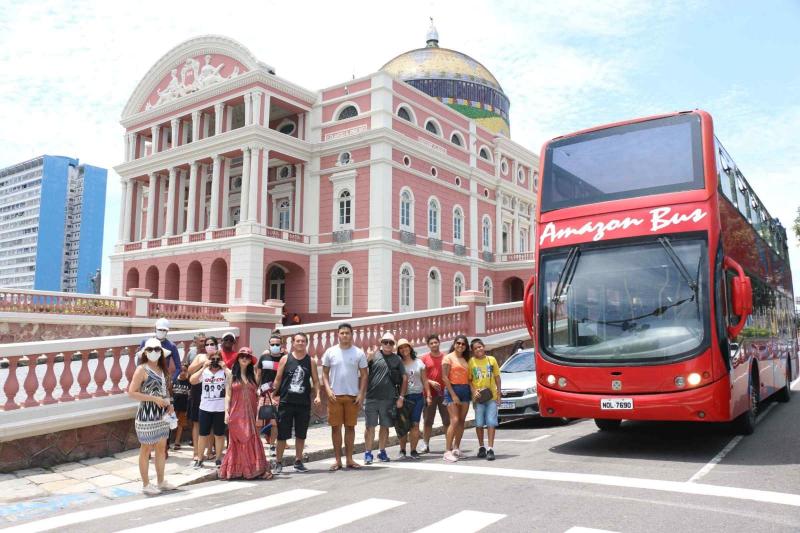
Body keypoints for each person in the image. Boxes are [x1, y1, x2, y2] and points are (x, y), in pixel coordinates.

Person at [127, 337, 176, 495]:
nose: (153, 352)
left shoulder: (163, 370)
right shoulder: (141, 369)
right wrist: (154, 399)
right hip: (147, 415)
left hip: (162, 415)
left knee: (161, 448)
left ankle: (161, 481)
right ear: (145, 352)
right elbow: (132, 392)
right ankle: (146, 484)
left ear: (161, 352)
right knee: (146, 449)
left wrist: (170, 404)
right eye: (150, 349)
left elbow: (166, 390)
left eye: (156, 349)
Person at [219, 347, 272, 480]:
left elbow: (256, 391)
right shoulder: (231, 375)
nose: (244, 358)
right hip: (236, 413)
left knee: (251, 438)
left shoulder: (253, 375)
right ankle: (238, 470)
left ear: (250, 360)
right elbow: (228, 395)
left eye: (247, 357)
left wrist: (260, 391)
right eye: (242, 356)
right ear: (238, 358)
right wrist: (226, 412)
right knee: (239, 440)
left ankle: (253, 470)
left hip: (250, 413)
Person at [272, 332, 321, 473]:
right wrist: (273, 394)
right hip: (286, 402)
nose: (300, 343)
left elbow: (316, 381)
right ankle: (278, 462)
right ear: (293, 343)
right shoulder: (285, 359)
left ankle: (298, 461)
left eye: (303, 341)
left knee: (301, 434)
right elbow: (278, 379)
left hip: (303, 403)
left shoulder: (310, 361)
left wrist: (318, 395)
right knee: (282, 434)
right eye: (298, 341)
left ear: (306, 343)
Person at [321, 323, 368, 471]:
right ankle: (337, 460)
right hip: (334, 396)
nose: (345, 335)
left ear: (351, 335)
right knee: (335, 428)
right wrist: (327, 389)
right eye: (342, 333)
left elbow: (365, 375)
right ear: (338, 334)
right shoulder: (330, 352)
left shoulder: (358, 353)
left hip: (352, 397)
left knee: (350, 428)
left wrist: (361, 394)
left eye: (347, 333)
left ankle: (349, 459)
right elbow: (324, 373)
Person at [364, 332, 407, 464]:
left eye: (391, 342)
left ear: (394, 345)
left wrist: (401, 397)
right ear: (380, 342)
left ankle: (382, 451)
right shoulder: (373, 355)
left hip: (389, 399)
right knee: (369, 426)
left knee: (385, 426)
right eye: (385, 342)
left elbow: (404, 378)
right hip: (371, 397)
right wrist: (367, 359)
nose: (388, 344)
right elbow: (363, 374)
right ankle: (368, 453)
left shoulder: (397, 360)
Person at [190, 344, 228, 468]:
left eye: (218, 359)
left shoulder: (224, 373)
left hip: (220, 408)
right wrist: (203, 367)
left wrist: (225, 367)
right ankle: (200, 459)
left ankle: (218, 458)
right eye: (213, 359)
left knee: (219, 434)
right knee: (203, 434)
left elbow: (233, 379)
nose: (215, 362)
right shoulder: (205, 372)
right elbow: (192, 380)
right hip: (205, 408)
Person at [468, 338, 501, 461]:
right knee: (479, 423)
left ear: (484, 347)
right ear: (473, 351)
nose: (478, 349)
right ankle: (481, 446)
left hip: (491, 397)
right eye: (475, 348)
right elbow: (469, 380)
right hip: (478, 398)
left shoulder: (491, 360)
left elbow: (497, 377)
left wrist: (499, 394)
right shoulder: (471, 362)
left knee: (491, 422)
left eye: (480, 347)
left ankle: (490, 448)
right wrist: (473, 391)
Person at [397, 338, 430, 459]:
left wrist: (429, 395)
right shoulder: (398, 363)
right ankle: (402, 450)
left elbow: (424, 380)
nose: (404, 349)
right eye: (401, 348)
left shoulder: (419, 362)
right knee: (403, 425)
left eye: (406, 347)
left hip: (417, 397)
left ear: (410, 348)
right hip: (404, 397)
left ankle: (413, 450)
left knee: (415, 424)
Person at [187, 336, 218, 464]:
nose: (210, 346)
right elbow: (190, 370)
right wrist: (202, 364)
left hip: (213, 392)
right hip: (198, 391)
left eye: (212, 344)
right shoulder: (200, 357)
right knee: (197, 422)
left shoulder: (218, 358)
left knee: (211, 423)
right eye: (207, 344)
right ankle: (196, 452)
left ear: (216, 345)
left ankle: (209, 451)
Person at [442, 334, 471, 462]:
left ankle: (456, 448)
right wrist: (453, 394)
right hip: (452, 390)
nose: (460, 345)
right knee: (454, 420)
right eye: (458, 343)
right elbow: (444, 377)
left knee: (461, 421)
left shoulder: (467, 359)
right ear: (454, 344)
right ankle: (447, 451)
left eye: (463, 344)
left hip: (465, 390)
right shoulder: (448, 358)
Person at [421, 334, 450, 453]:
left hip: (444, 394)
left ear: (439, 343)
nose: (434, 345)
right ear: (428, 345)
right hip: (429, 394)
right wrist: (430, 382)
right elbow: (420, 377)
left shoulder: (446, 357)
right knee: (428, 421)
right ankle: (425, 444)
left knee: (447, 421)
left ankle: (449, 445)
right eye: (431, 343)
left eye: (435, 342)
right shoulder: (424, 359)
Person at [257, 334, 284, 453]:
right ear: (269, 345)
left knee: (274, 422)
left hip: (278, 394)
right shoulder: (264, 357)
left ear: (281, 345)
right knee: (258, 421)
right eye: (272, 344)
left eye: (277, 344)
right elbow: (258, 374)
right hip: (263, 393)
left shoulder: (285, 358)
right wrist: (256, 389)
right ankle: (256, 445)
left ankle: (272, 446)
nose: (275, 346)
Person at [171, 363, 191, 450]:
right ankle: (167, 442)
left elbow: (190, 396)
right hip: (173, 407)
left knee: (180, 425)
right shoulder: (174, 380)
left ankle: (177, 442)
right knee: (170, 424)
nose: (182, 373)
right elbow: (170, 391)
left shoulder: (189, 382)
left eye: (185, 371)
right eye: (181, 370)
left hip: (183, 407)